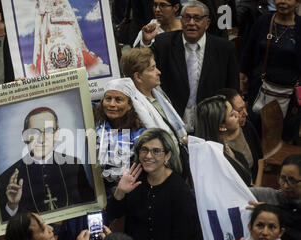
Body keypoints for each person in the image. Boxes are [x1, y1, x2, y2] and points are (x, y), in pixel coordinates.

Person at [106, 128, 197, 240]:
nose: (149, 156)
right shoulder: (135, 181)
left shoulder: (178, 189)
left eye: (156, 151)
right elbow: (112, 214)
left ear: (167, 156)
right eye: (144, 150)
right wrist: (120, 191)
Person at [151, 0, 239, 133]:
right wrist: (146, 42)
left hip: (211, 124)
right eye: (187, 18)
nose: (191, 23)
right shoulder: (163, 43)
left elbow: (232, 88)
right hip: (173, 122)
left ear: (207, 23)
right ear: (181, 21)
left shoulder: (225, 49)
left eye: (197, 18)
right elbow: (141, 65)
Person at [0, 107, 96, 222]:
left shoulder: (74, 165)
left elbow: (90, 204)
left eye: (48, 131)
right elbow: (2, 225)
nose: (41, 139)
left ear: (57, 134)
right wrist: (12, 205)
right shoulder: (7, 178)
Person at [120, 48, 190, 179]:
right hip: (159, 172)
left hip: (179, 161)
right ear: (138, 76)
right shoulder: (134, 108)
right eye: (152, 69)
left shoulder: (159, 94)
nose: (158, 72)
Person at [240, 0, 301, 142]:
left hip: (291, 96)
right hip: (261, 90)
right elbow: (248, 51)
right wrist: (241, 77)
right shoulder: (264, 21)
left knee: (285, 138)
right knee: (257, 134)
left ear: (297, 2)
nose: (283, 1)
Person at [94, 78, 145, 198]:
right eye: (108, 99)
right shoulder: (97, 128)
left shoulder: (140, 133)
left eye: (118, 100)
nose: (112, 104)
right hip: (103, 197)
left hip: (135, 195)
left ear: (130, 105)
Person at [28, 0, 104, 77]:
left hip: (62, 18)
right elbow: (42, 9)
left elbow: (42, 9)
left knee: (70, 41)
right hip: (52, 20)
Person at [195, 95, 253, 186]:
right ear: (221, 126)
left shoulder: (226, 149)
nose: (237, 114)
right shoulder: (215, 162)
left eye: (234, 109)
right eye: (231, 115)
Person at [216, 88, 264, 184]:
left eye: (244, 107)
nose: (246, 113)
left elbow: (260, 159)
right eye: (240, 110)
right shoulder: (216, 143)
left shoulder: (247, 127)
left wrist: (257, 187)